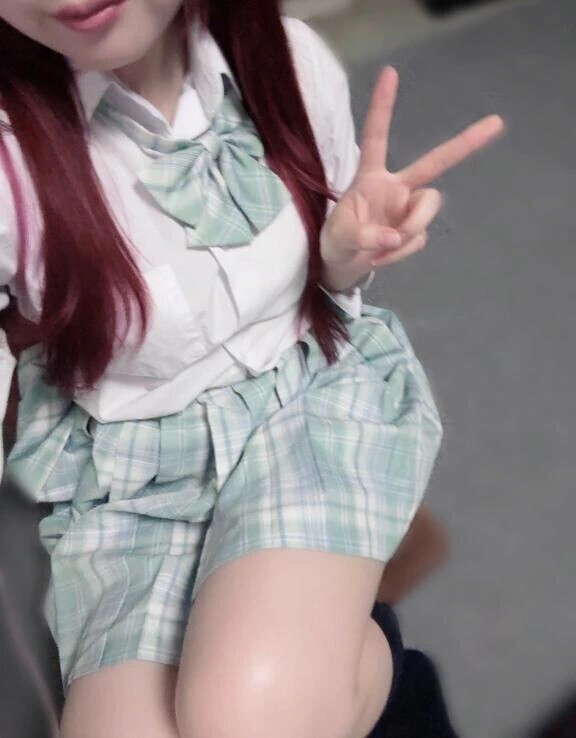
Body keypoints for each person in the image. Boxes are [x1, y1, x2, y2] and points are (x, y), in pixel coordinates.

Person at [0, 1, 504, 736]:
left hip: (304, 404)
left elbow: (325, 289)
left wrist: (345, 252)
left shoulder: (288, 63)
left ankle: (371, 679)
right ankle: (354, 671)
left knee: (243, 716)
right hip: (133, 476)